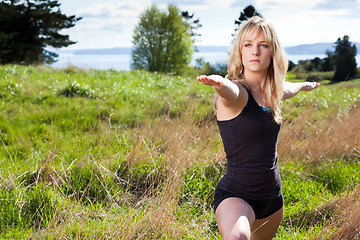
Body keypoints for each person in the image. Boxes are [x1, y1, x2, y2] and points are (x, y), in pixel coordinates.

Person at [197, 16, 320, 240]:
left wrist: (305, 85)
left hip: (272, 200)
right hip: (237, 197)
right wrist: (219, 83)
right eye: (248, 45)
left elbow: (288, 88)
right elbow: (229, 92)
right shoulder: (237, 94)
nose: (255, 51)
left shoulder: (274, 92)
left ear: (272, 52)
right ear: (240, 52)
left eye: (263, 45)